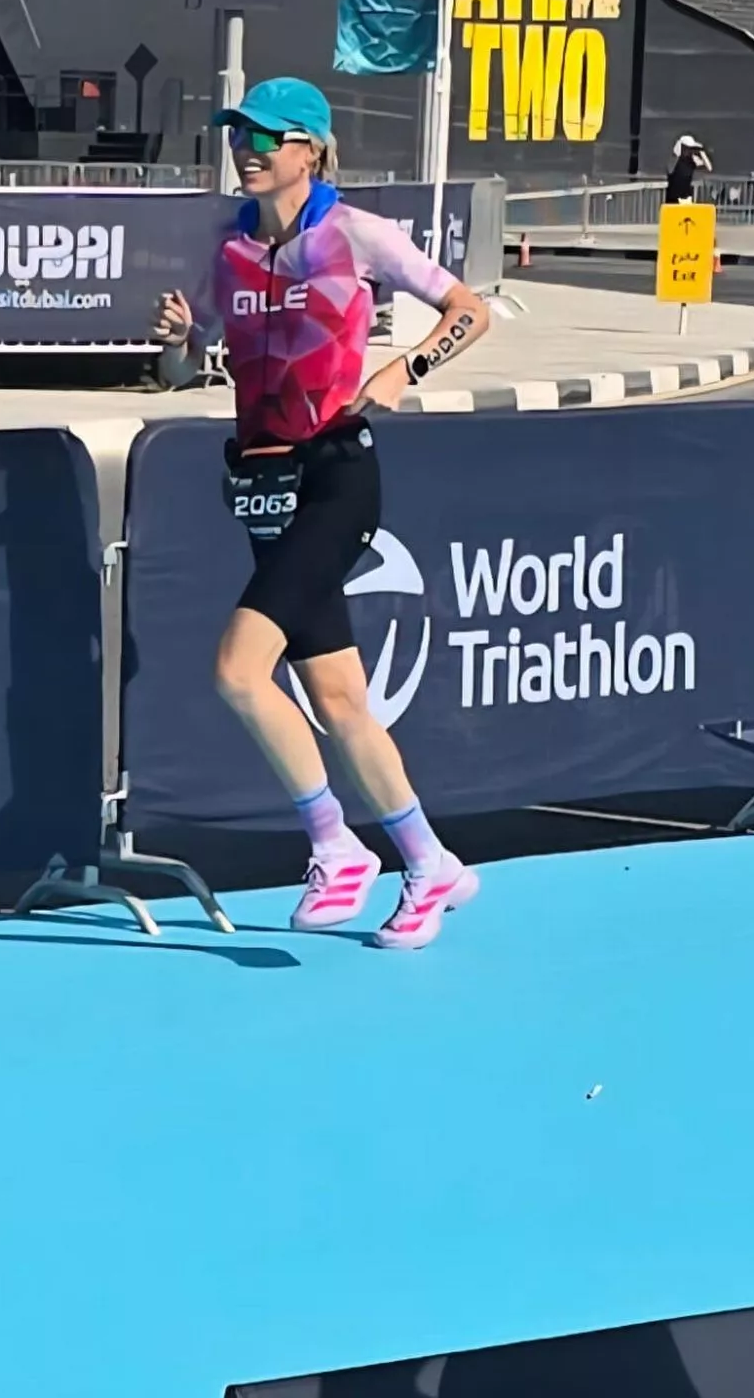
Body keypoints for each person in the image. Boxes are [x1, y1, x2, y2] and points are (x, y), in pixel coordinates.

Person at [153, 77, 490, 949]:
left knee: (236, 670)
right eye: (239, 135)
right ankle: (430, 860)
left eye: (266, 136)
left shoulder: (355, 234)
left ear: (311, 148)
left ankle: (338, 845)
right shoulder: (228, 250)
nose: (248, 149)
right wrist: (185, 338)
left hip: (338, 476)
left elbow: (469, 309)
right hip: (263, 485)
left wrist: (404, 371)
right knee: (340, 699)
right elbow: (207, 360)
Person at [665, 135, 712, 204]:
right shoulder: (675, 160)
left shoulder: (692, 160)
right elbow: (671, 166)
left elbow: (709, 168)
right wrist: (678, 147)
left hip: (686, 198)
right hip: (673, 198)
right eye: (688, 148)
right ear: (683, 148)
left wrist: (701, 151)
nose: (690, 151)